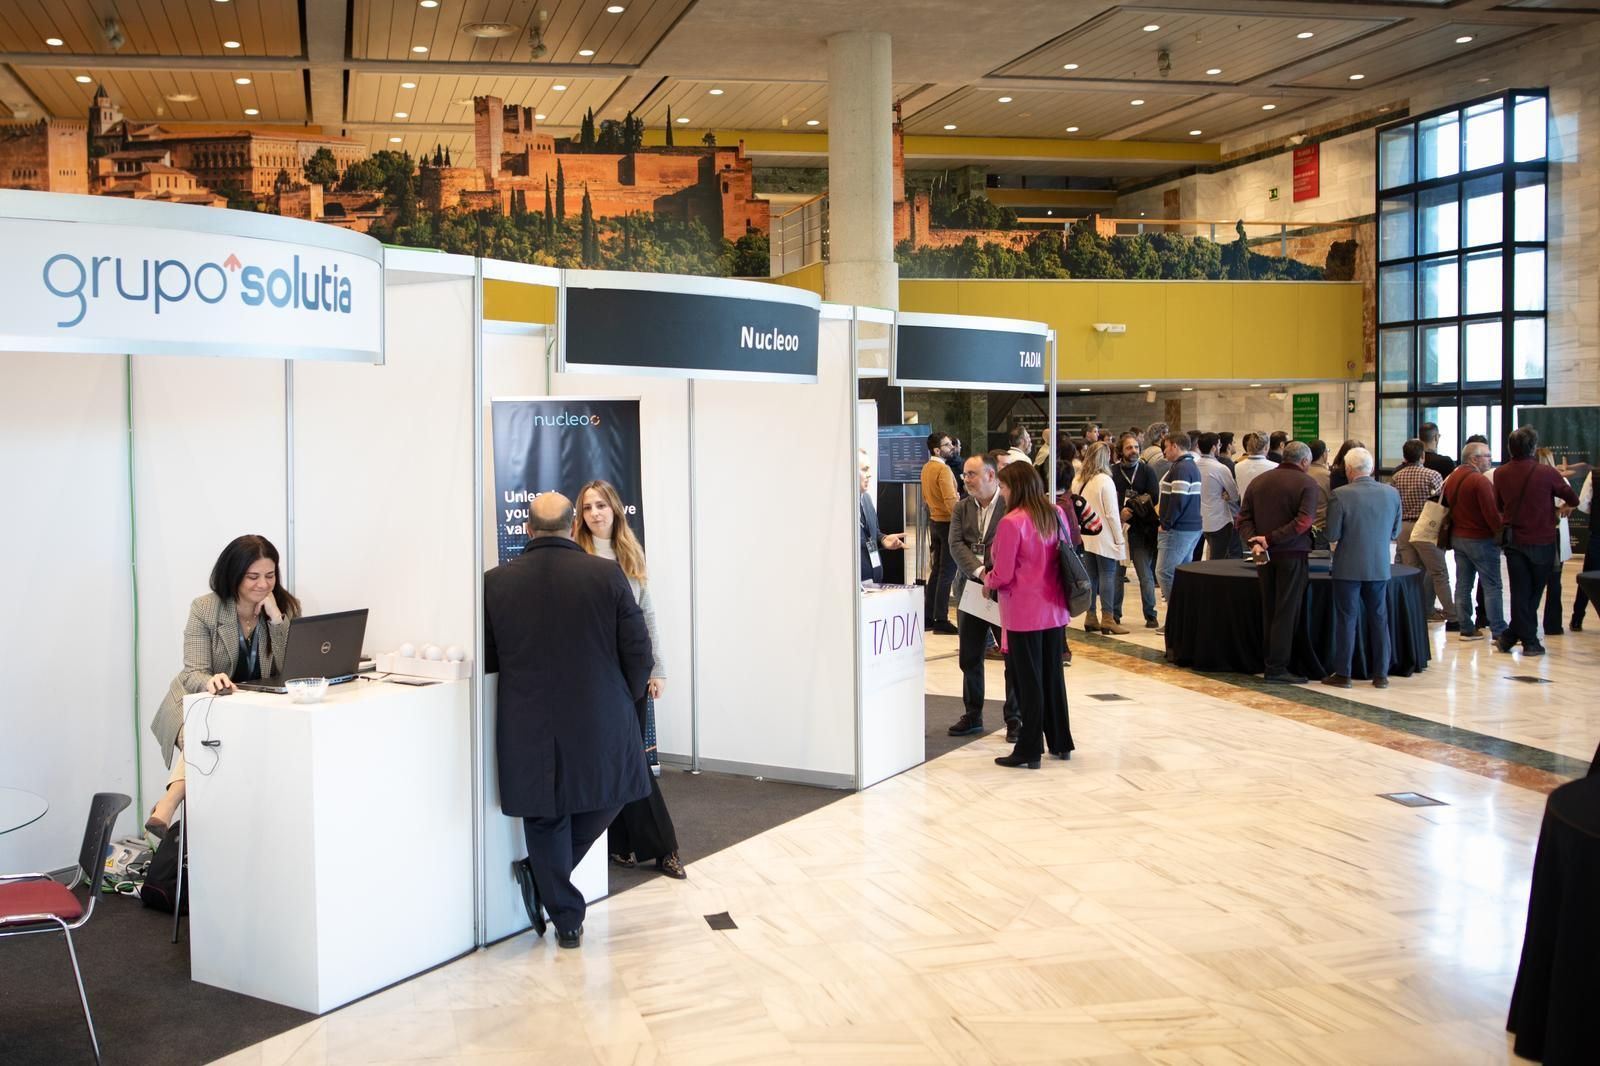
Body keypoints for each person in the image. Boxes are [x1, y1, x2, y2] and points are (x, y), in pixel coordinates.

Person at [486, 493, 652, 948]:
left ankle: (556, 898)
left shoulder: (495, 582)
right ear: (570, 525)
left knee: (546, 816)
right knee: (613, 792)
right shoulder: (605, 575)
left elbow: (491, 656)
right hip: (601, 712)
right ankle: (562, 907)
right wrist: (626, 695)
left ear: (528, 530)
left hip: (527, 716)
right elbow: (638, 650)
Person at [148, 534, 302, 838]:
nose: (263, 584)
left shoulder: (283, 609)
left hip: (248, 706)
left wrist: (275, 619)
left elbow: (288, 669)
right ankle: (170, 804)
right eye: (253, 577)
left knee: (220, 742)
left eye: (270, 576)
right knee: (204, 738)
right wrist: (210, 680)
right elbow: (193, 672)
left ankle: (167, 804)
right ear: (234, 575)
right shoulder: (206, 609)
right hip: (197, 702)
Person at [572, 480, 686, 881]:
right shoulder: (576, 554)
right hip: (593, 676)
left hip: (632, 672)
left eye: (601, 505)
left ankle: (650, 846)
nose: (595, 513)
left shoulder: (629, 551)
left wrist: (658, 668)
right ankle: (633, 844)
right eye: (587, 507)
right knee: (620, 761)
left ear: (616, 509)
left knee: (630, 760)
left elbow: (647, 614)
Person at [984, 462, 1074, 768]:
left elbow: (1004, 574)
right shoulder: (1055, 513)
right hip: (1054, 609)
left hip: (1024, 612)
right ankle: (1061, 742)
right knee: (1052, 677)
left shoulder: (1012, 522)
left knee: (1028, 682)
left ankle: (1029, 748)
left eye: (1005, 487)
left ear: (1016, 487)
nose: (1003, 492)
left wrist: (988, 581)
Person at [946, 453, 1021, 742]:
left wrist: (995, 575)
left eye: (971, 474)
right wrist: (980, 572)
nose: (966, 480)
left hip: (1004, 593)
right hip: (971, 591)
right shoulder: (961, 508)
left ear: (991, 475)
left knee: (1011, 656)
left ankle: (1014, 718)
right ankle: (972, 713)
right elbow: (956, 544)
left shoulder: (1009, 506)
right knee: (970, 655)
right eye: (964, 474)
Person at [1239, 441, 1321, 684]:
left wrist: (1254, 541)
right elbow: (1304, 522)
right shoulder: (1307, 483)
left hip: (1262, 556)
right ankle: (1277, 667)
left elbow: (1242, 517)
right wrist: (1271, 539)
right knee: (1286, 611)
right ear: (1305, 462)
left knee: (1270, 608)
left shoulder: (1259, 481)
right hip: (1292, 555)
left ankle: (1269, 661)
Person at [1494, 428, 1579, 655]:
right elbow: (1573, 498)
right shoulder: (1547, 473)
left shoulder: (1500, 473)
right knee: (1534, 591)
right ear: (1533, 447)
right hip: (1542, 539)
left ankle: (1510, 636)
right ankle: (1530, 642)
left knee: (1520, 591)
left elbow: (1499, 506)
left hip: (1513, 540)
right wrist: (1562, 508)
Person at [1323, 448, 1402, 689]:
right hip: (1378, 566)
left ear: (1348, 470)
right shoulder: (1391, 493)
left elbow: (1333, 534)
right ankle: (1381, 675)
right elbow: (1394, 532)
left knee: (1346, 619)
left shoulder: (1340, 495)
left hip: (1347, 567)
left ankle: (1344, 673)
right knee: (1379, 619)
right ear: (1371, 468)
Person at [1442, 441, 1506, 643]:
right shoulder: (1480, 481)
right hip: (1480, 539)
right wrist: (1501, 533)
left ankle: (1466, 628)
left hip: (1458, 537)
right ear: (1474, 458)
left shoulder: (1453, 478)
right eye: (1487, 455)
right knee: (1492, 585)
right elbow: (1492, 514)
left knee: (1463, 584)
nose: (1490, 459)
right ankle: (1499, 630)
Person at [1392, 438, 1456, 628]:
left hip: (1404, 527)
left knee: (1412, 571)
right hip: (1426, 527)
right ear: (1422, 456)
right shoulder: (1432, 475)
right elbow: (1440, 500)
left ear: (1404, 456)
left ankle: (1414, 610)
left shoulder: (1397, 477)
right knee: (1438, 571)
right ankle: (1451, 613)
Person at [1074, 442, 1129, 635]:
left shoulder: (1078, 479)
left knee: (1091, 576)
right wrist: (1119, 538)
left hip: (1086, 534)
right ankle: (1108, 618)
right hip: (1104, 535)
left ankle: (1090, 616)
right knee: (1108, 575)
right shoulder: (1105, 480)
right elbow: (1112, 514)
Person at [1112, 432, 1161, 629]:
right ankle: (1114, 614)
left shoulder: (1147, 470)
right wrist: (1119, 511)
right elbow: (1107, 497)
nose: (1133, 451)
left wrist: (1131, 509)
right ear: (1121, 451)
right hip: (1119, 528)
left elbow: (1154, 497)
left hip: (1141, 529)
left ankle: (1150, 614)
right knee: (1117, 574)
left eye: (1136, 447)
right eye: (1129, 447)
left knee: (1145, 574)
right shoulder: (1112, 472)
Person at [1155, 432, 1203, 606]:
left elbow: (1178, 500)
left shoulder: (1181, 468)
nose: (1164, 452)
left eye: (1166, 447)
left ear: (1174, 445)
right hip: (1190, 527)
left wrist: (1166, 523)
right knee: (1179, 572)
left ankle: (1175, 615)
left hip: (1179, 528)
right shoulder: (1189, 465)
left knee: (1164, 572)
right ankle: (1183, 615)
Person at [920, 431, 961, 634]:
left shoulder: (927, 468)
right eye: (947, 445)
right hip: (946, 524)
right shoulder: (942, 470)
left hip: (935, 522)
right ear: (937, 449)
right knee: (947, 573)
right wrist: (962, 520)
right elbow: (950, 500)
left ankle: (929, 616)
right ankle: (941, 619)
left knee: (937, 572)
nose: (951, 447)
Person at [1535, 448, 1572, 636]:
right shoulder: (1559, 479)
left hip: (1537, 533)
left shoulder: (1531, 480)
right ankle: (1553, 624)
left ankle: (1529, 623)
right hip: (1556, 533)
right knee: (1554, 580)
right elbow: (1572, 502)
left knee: (1533, 581)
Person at [857, 451, 905, 583]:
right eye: (864, 469)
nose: (870, 474)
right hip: (853, 589)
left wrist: (883, 539)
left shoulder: (866, 499)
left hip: (873, 584)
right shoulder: (843, 510)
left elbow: (873, 533)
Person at [1195, 432, 1242, 560]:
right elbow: (1235, 495)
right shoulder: (1220, 468)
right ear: (1214, 448)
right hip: (1220, 520)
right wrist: (1228, 495)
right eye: (1219, 444)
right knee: (1219, 559)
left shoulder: (1194, 466)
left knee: (1212, 557)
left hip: (1201, 518)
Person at [1570, 471, 1596, 631]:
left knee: (1588, 577)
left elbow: (1583, 503)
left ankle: (1577, 618)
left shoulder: (1595, 475)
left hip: (1598, 532)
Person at [1234, 432, 1275, 500]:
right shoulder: (1274, 467)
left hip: (1244, 508)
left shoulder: (1237, 466)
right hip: (1265, 508)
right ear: (1266, 447)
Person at [1307, 440, 1332, 548]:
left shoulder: (1301, 473)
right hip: (1321, 527)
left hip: (1301, 529)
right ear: (1324, 454)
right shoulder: (1328, 476)